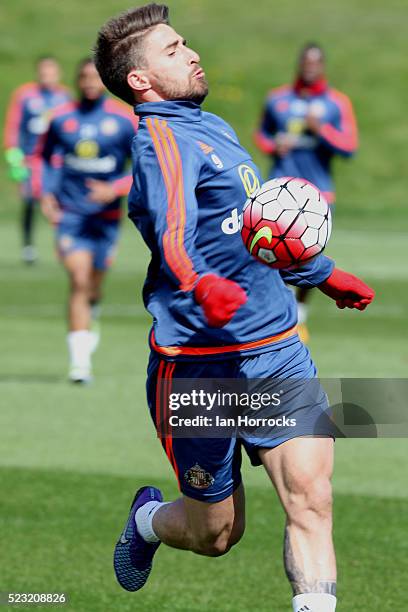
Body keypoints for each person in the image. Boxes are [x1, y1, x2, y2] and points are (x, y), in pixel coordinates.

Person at [94, 5, 374, 611]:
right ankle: (147, 521)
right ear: (139, 80)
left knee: (311, 497)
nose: (191, 54)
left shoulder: (213, 124)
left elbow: (253, 229)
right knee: (215, 534)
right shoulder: (159, 143)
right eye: (172, 50)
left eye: (185, 43)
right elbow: (172, 235)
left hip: (277, 352)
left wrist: (321, 274)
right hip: (199, 367)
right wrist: (199, 285)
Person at [39, 59, 138, 383]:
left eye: (95, 77)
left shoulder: (123, 120)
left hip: (106, 219)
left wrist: (115, 187)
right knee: (79, 280)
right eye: (83, 77)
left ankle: (90, 312)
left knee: (93, 284)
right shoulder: (61, 119)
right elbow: (45, 158)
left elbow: (142, 165)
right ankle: (79, 364)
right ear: (77, 80)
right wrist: (47, 194)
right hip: (71, 215)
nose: (89, 83)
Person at [254, 43, 358, 342]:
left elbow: (349, 147)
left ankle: (299, 316)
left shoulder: (337, 103)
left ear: (323, 65)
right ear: (299, 63)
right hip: (279, 191)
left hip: (318, 192)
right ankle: (271, 314)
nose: (310, 66)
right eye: (306, 61)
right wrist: (273, 145)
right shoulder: (278, 99)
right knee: (267, 252)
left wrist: (321, 130)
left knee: (308, 254)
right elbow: (261, 133)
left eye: (316, 62)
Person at [3, 56, 72, 264]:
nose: (47, 76)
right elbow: (14, 125)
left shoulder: (65, 97)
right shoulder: (25, 95)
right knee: (30, 201)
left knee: (59, 202)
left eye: (50, 72)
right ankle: (28, 246)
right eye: (43, 72)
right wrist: (14, 155)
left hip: (57, 160)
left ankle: (64, 244)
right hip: (31, 160)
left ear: (57, 74)